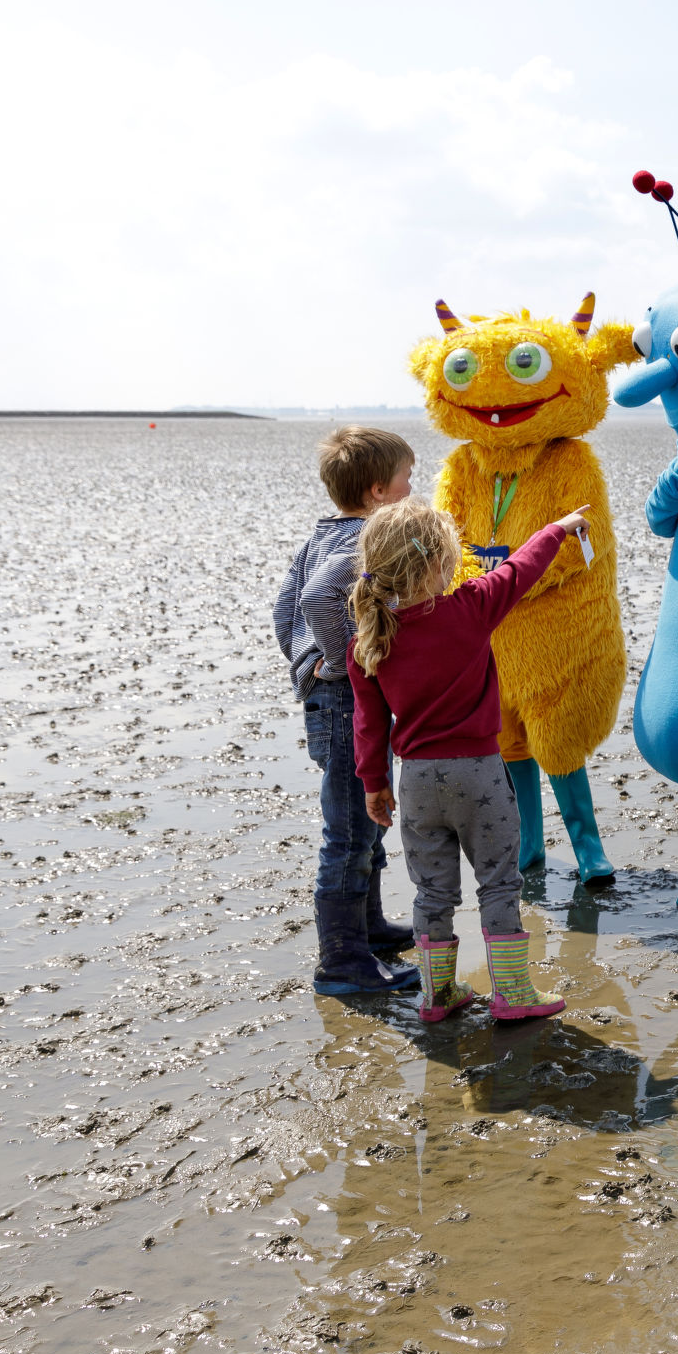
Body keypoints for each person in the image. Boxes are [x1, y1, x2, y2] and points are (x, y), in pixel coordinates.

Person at [349, 498, 590, 1024]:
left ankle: (438, 996)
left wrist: (374, 784)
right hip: (479, 773)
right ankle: (514, 994)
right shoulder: (470, 607)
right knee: (499, 883)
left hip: (415, 783)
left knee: (432, 891)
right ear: (438, 563)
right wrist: (558, 528)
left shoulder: (368, 639)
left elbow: (368, 725)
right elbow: (519, 569)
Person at [273, 425, 421, 997]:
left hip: (330, 694)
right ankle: (341, 963)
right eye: (408, 477)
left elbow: (284, 605)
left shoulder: (324, 531)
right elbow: (315, 598)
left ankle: (369, 929)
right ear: (379, 491)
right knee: (351, 829)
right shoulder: (367, 536)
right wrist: (341, 661)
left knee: (367, 815)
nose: (415, 486)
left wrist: (301, 661)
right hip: (340, 698)